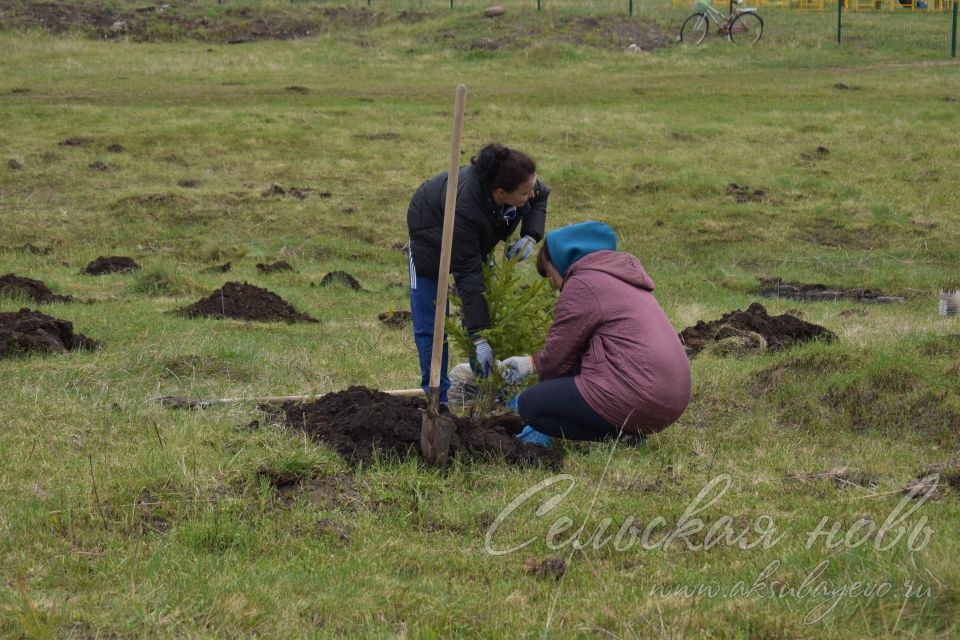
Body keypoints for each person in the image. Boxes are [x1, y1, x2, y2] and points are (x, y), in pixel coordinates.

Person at [499, 221, 691, 446]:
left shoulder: (582, 284)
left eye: (551, 276)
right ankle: (627, 431)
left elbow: (556, 358)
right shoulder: (619, 277)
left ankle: (621, 438)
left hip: (641, 396)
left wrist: (530, 367)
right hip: (671, 398)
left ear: (561, 262)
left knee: (532, 405)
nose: (554, 285)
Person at [407, 144, 550, 409]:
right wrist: (480, 338)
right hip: (429, 237)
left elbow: (541, 195)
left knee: (484, 311)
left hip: (473, 240)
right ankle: (437, 400)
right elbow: (469, 277)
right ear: (501, 193)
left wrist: (531, 234)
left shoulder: (521, 184)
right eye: (525, 191)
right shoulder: (465, 208)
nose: (532, 193)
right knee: (433, 324)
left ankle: (489, 391)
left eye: (532, 186)